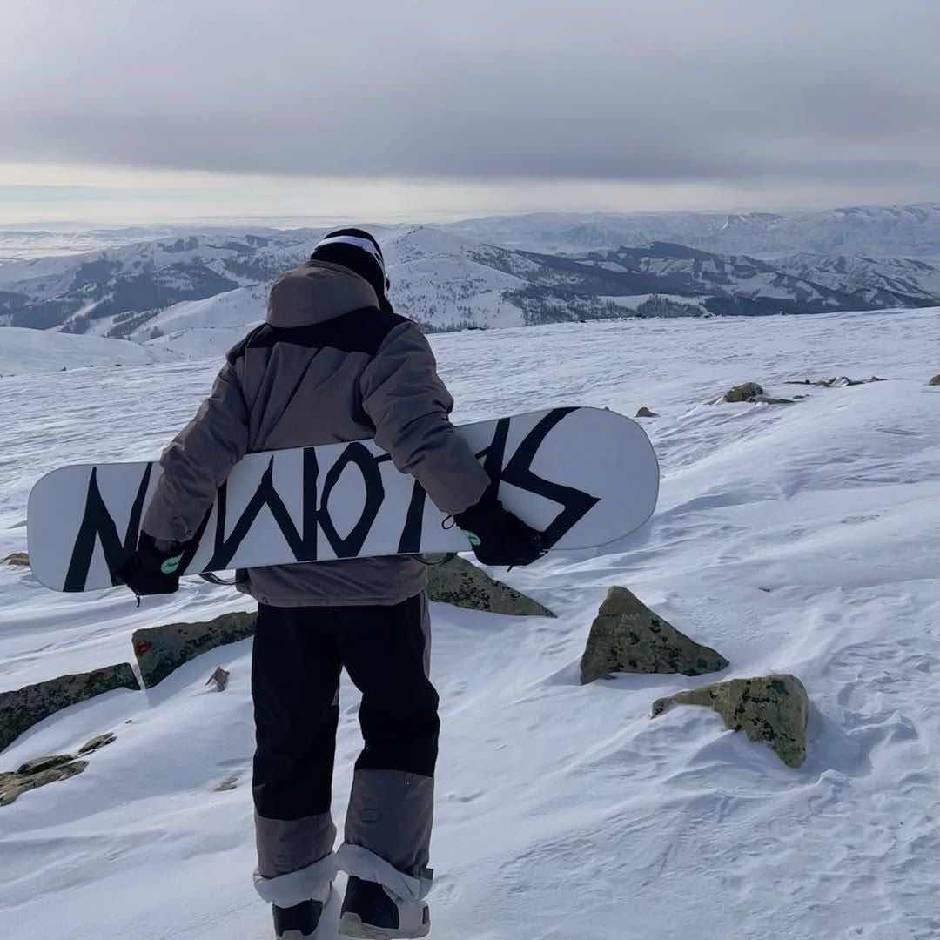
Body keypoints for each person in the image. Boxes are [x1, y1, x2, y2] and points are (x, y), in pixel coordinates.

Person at [118, 229, 544, 939]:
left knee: (290, 743)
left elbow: (195, 458)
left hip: (285, 600)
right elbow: (419, 437)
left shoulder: (254, 353)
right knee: (400, 727)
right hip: (380, 592)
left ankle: (295, 909)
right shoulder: (387, 338)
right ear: (373, 281)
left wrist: (159, 546)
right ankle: (380, 905)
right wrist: (483, 516)